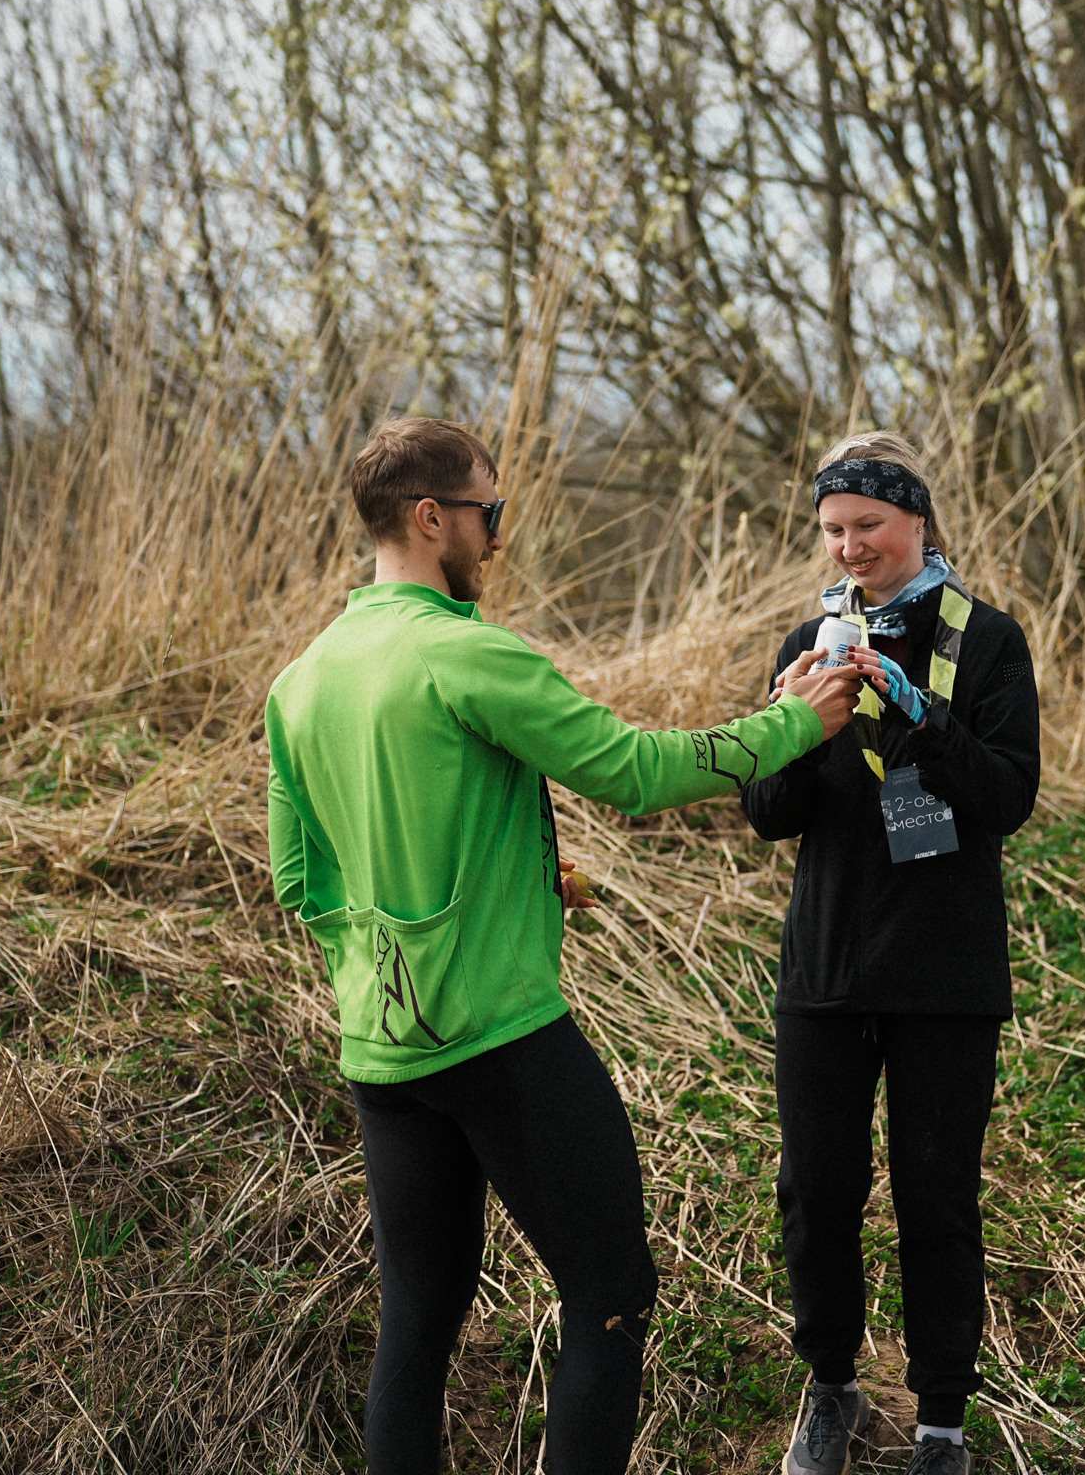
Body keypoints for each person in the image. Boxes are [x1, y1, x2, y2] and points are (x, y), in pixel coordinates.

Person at [265, 416, 865, 1475]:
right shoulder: (465, 653)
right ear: (430, 517)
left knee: (418, 1318)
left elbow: (303, 881)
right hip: (503, 1036)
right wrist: (792, 725)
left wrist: (491, 899)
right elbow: (634, 772)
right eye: (489, 514)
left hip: (383, 1051)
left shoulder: (301, 682)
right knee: (609, 1293)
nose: (497, 537)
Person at [740, 433, 1042, 1475]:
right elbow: (768, 815)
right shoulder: (805, 638)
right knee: (816, 1188)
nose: (850, 546)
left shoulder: (989, 641)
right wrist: (788, 721)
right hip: (825, 969)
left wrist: (915, 711)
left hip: (945, 972)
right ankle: (830, 1389)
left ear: (918, 521)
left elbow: (1007, 797)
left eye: (867, 524)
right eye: (832, 529)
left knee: (936, 1191)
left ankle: (942, 1422)